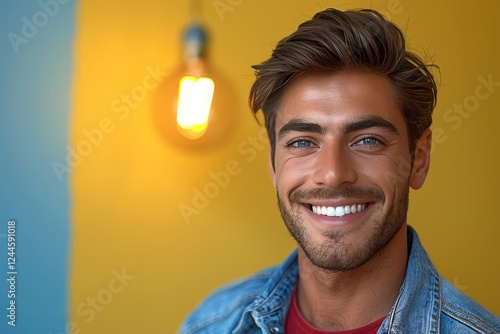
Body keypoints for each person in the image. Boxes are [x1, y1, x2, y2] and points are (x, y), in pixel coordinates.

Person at [180, 8, 500, 334]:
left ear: (418, 159)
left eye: (367, 140)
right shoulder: (212, 323)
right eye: (303, 143)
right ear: (273, 163)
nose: (333, 174)